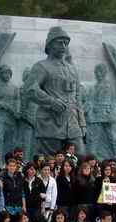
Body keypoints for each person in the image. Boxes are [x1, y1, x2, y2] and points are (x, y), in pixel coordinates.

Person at [27, 26, 86, 155]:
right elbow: (30, 89)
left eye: (66, 43)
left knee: (80, 157)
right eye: (60, 42)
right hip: (50, 124)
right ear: (50, 44)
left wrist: (82, 124)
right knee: (50, 163)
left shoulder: (72, 69)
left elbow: (78, 98)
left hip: (72, 124)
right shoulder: (41, 66)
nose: (63, 46)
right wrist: (52, 102)